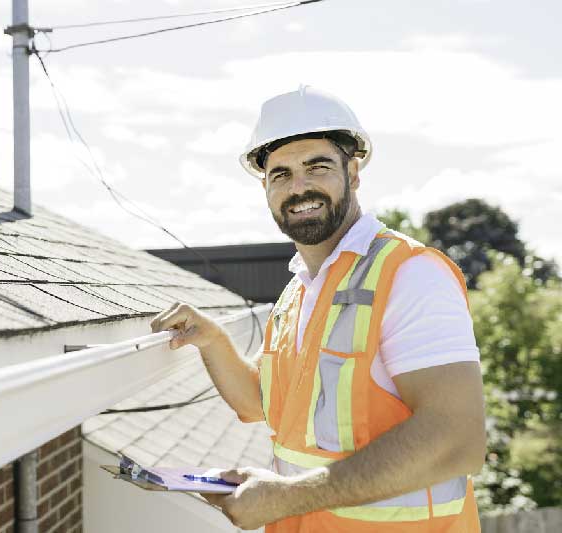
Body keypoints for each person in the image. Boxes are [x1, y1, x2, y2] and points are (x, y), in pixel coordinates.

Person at [150, 86, 485, 532]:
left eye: (317, 167)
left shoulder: (410, 275)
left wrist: (284, 496)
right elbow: (262, 404)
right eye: (280, 174)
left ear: (353, 171)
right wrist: (212, 339)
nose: (299, 187)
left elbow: (456, 439)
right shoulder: (299, 292)